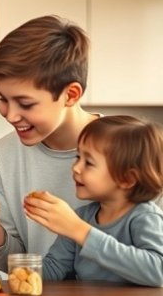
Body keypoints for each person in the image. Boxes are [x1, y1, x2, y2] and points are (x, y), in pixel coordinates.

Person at [0, 15, 99, 272]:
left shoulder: (133, 149)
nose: (10, 115)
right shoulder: (4, 155)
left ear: (70, 95)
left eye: (25, 104)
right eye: (2, 99)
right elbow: (17, 266)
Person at [25, 115, 163, 286]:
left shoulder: (145, 217)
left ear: (127, 178)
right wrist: (19, 271)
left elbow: (158, 271)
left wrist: (80, 231)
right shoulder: (82, 217)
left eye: (88, 162)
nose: (76, 167)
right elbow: (54, 270)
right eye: (78, 157)